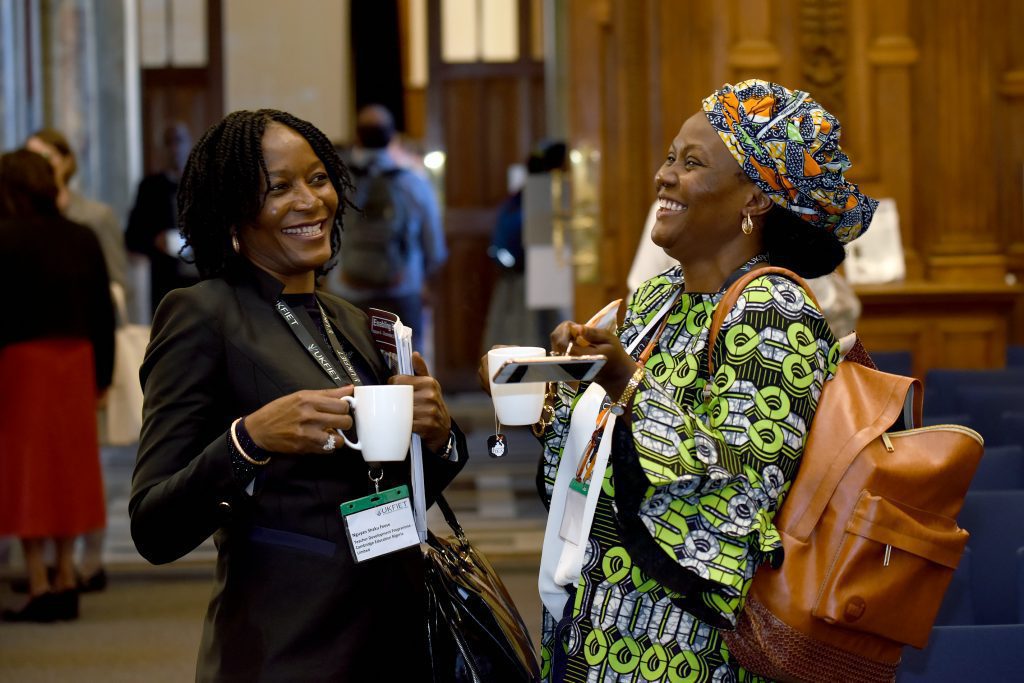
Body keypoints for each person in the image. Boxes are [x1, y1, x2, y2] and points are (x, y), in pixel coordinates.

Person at [481, 79, 877, 681]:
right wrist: (557, 388)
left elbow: (741, 493)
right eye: (669, 157)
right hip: (597, 619)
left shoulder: (775, 311)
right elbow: (604, 462)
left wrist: (624, 383)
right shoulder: (654, 301)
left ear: (756, 197)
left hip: (689, 648)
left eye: (692, 163)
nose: (665, 176)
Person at [129, 109, 467, 681]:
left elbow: (387, 490)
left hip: (394, 641)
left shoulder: (355, 321)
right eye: (278, 188)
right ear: (234, 210)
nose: (310, 202)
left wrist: (436, 438)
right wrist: (249, 440)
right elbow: (153, 527)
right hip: (286, 646)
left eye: (317, 178)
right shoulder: (203, 314)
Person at [0, 149, 115, 622]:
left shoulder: (4, 237)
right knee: (69, 470)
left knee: (27, 472)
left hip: (22, 362)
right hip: (75, 361)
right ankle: (66, 575)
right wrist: (104, 376)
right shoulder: (81, 236)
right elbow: (101, 312)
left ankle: (39, 580)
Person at [329, 104, 447, 350]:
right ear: (391, 136)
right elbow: (435, 247)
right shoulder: (413, 183)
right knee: (407, 370)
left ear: (357, 136)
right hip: (400, 291)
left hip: (346, 292)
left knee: (350, 368)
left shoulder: (335, 183)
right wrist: (423, 279)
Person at [26, 128, 133, 319]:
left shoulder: (97, 216)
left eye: (45, 156)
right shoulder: (23, 219)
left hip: (83, 327)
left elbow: (118, 284)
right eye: (30, 157)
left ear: (66, 162)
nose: (39, 165)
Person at [125, 121, 200, 317]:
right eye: (169, 143)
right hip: (164, 278)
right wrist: (153, 241)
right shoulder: (150, 187)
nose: (175, 149)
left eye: (179, 141)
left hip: (201, 276)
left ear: (190, 145)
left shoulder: (205, 184)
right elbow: (133, 235)